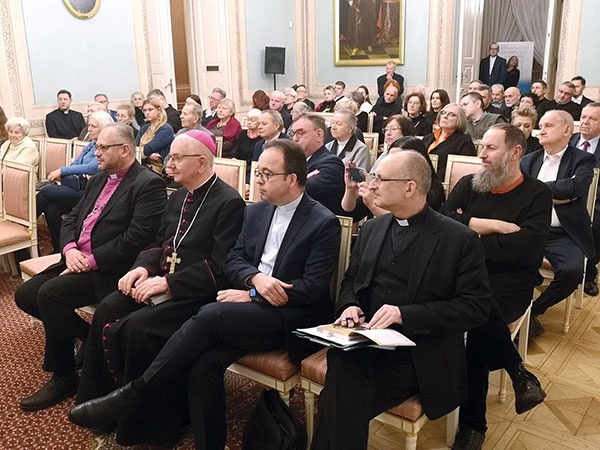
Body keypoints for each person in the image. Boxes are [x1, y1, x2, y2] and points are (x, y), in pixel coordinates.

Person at [68, 139, 341, 450]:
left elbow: (312, 289)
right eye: (257, 172)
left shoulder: (323, 222)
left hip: (290, 316)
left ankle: (136, 392)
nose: (257, 181)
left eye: (266, 174)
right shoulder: (258, 212)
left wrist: (253, 294)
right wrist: (254, 279)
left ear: (291, 179)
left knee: (210, 313)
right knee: (203, 362)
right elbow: (235, 259)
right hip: (247, 312)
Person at [72, 130, 246, 446]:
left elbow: (220, 269)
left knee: (137, 329)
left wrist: (166, 282)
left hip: (197, 294)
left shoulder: (229, 202)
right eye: (170, 156)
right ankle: (104, 402)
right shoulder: (179, 194)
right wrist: (142, 268)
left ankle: (150, 427)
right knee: (110, 306)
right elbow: (159, 242)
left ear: (202, 162)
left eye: (178, 158)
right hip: (160, 282)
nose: (169, 163)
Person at [310, 150, 492, 449]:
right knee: (344, 369)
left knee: (341, 394)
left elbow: (475, 308)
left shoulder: (458, 239)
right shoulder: (372, 228)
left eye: (380, 178)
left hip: (420, 354)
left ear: (410, 187)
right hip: (366, 341)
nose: (372, 185)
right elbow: (351, 281)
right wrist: (349, 305)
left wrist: (406, 314)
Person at [14, 123, 167, 412]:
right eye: (96, 146)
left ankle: (64, 376)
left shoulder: (147, 184)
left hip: (108, 268)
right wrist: (70, 249)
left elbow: (137, 238)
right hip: (76, 258)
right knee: (25, 295)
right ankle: (87, 335)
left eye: (101, 147)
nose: (95, 153)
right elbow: (72, 218)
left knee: (50, 294)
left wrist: (90, 261)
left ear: (124, 149)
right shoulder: (98, 179)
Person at [441, 124, 551, 449]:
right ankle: (519, 371)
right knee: (472, 306)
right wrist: (485, 225)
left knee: (475, 328)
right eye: (482, 147)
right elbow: (442, 224)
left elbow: (523, 250)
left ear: (515, 152)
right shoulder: (468, 185)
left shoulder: (537, 195)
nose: (482, 155)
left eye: (491, 148)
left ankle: (473, 425)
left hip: (511, 281)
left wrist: (468, 237)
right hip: (463, 275)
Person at [520, 111, 595, 336]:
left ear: (567, 130)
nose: (541, 130)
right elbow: (520, 193)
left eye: (549, 126)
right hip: (530, 229)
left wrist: (536, 190)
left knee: (572, 271)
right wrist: (557, 192)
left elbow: (575, 188)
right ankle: (516, 310)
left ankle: (534, 310)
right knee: (497, 256)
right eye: (541, 125)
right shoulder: (528, 160)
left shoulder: (582, 159)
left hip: (563, 233)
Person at [37, 111, 115, 253]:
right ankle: (59, 248)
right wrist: (69, 170)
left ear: (104, 128)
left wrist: (62, 171)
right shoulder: (90, 145)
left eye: (93, 126)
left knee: (47, 191)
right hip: (78, 187)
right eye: (89, 125)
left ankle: (28, 227)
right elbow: (76, 164)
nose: (89, 129)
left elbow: (92, 167)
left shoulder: (105, 146)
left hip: (91, 193)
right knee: (51, 209)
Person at [342, 136, 445, 222]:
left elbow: (405, 223)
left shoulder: (431, 190)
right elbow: (351, 214)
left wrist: (372, 204)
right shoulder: (380, 184)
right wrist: (350, 190)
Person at [569, 102, 600, 296]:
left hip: (597, 200)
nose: (586, 122)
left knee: (596, 225)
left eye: (593, 118)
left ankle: (589, 272)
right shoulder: (568, 140)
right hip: (565, 196)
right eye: (584, 117)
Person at [291, 113, 345, 215]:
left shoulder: (332, 163)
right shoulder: (295, 161)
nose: (295, 138)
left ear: (319, 135)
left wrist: (295, 182)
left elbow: (309, 189)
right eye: (293, 133)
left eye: (300, 132)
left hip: (317, 224)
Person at [422, 103, 476, 177]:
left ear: (460, 119)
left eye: (451, 114)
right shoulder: (427, 138)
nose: (445, 116)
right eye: (443, 113)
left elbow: (465, 171)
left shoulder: (464, 141)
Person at [136, 96, 175, 173]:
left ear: (159, 110)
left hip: (157, 169)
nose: (147, 113)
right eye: (144, 110)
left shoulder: (166, 129)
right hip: (142, 164)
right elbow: (135, 148)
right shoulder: (144, 128)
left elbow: (148, 149)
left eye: (150, 109)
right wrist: (147, 156)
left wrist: (141, 152)